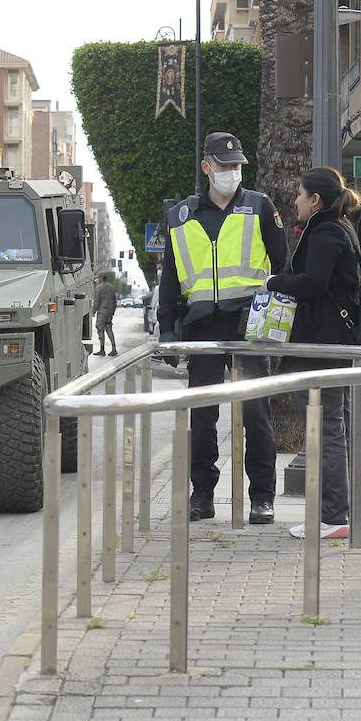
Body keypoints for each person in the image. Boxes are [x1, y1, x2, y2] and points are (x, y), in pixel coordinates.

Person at [157, 131, 288, 524]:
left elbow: (283, 269)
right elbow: (169, 277)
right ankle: (202, 495)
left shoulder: (260, 207)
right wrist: (166, 329)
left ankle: (262, 498)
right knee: (202, 419)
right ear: (206, 167)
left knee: (257, 415)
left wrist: (283, 325)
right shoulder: (181, 216)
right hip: (202, 328)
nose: (232, 172)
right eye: (224, 165)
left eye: (236, 166)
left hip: (249, 324)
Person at [262, 167, 361, 540]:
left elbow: (313, 283)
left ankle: (335, 517)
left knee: (327, 431)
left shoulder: (327, 233)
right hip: (327, 343)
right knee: (328, 429)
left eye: (300, 194)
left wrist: (274, 282)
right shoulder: (335, 228)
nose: (296, 201)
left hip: (323, 345)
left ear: (315, 200)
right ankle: (331, 515)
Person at [93, 273, 119, 356]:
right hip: (109, 312)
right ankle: (114, 348)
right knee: (109, 329)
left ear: (101, 278)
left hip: (102, 312)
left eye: (98, 277)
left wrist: (93, 311)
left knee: (100, 329)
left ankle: (102, 349)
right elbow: (115, 301)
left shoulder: (98, 288)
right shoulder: (111, 287)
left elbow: (97, 302)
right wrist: (113, 311)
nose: (97, 279)